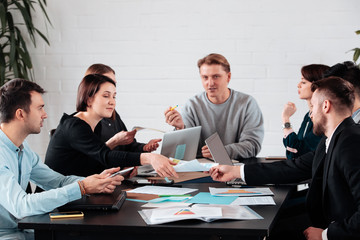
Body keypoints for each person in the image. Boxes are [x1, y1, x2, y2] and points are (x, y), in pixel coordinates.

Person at [210, 77, 360, 239]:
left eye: (313, 106)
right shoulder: (332, 138)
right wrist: (236, 171)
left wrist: (325, 235)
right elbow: (295, 167)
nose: (310, 114)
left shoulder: (351, 142)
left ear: (325, 106)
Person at [0, 79, 124, 239]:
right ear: (20, 114)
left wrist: (95, 182)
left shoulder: (23, 150)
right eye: (40, 108)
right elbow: (21, 206)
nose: (45, 115)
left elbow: (57, 181)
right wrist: (82, 187)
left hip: (25, 231)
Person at [45, 74, 178, 178]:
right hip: (56, 200)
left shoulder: (94, 125)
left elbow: (94, 162)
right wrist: (149, 158)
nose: (112, 102)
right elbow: (105, 155)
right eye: (106, 96)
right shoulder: (74, 126)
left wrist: (124, 168)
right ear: (88, 99)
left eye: (114, 97)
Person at [164, 53, 264, 159]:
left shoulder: (247, 103)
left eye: (216, 77)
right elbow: (184, 154)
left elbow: (253, 145)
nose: (210, 83)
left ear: (228, 77)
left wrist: (221, 151)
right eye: (205, 77)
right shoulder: (192, 106)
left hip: (236, 169)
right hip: (201, 171)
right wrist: (180, 129)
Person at [85, 63, 161, 152]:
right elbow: (91, 159)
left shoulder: (112, 114)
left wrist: (144, 147)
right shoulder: (82, 123)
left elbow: (128, 146)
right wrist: (114, 142)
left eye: (114, 84)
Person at [282, 64, 329, 160]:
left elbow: (297, 149)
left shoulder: (322, 118)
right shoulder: (308, 116)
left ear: (317, 85)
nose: (298, 85)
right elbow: (292, 153)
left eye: (303, 82)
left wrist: (286, 119)